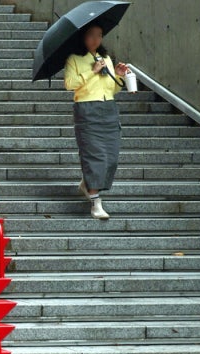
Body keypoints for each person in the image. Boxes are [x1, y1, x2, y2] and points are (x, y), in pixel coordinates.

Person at [64, 22, 130, 220]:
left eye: (100, 35)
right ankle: (96, 202)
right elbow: (69, 84)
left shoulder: (106, 58)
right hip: (87, 109)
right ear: (82, 37)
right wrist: (91, 71)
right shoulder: (74, 58)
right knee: (95, 156)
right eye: (91, 35)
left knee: (111, 157)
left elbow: (112, 89)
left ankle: (87, 183)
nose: (96, 39)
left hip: (109, 108)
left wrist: (118, 75)